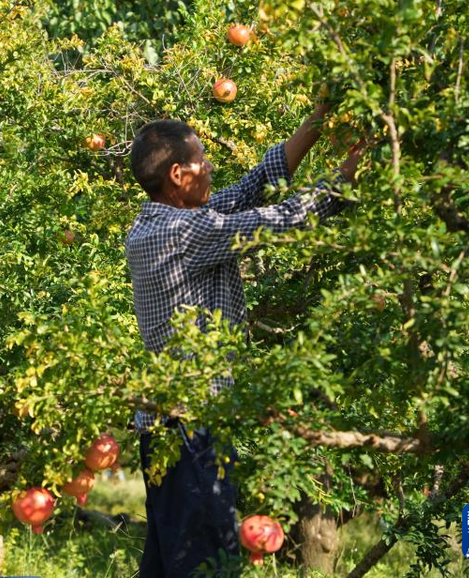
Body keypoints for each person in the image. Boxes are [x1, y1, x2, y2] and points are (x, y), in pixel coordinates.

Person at [126, 103, 365, 577]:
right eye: (201, 159)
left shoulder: (164, 220)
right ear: (177, 174)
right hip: (189, 427)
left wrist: (321, 115)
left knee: (169, 563)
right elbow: (278, 219)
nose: (210, 166)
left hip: (172, 425)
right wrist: (353, 168)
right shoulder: (182, 231)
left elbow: (254, 184)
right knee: (206, 562)